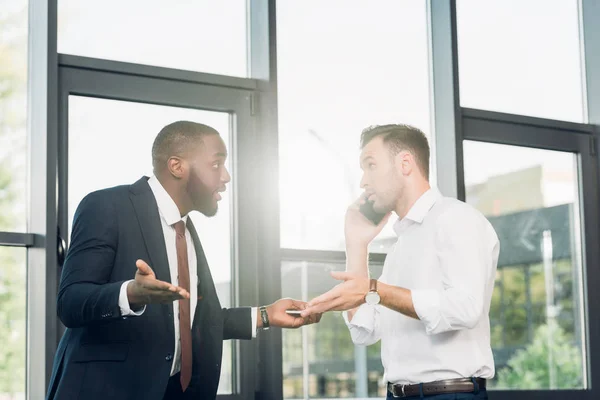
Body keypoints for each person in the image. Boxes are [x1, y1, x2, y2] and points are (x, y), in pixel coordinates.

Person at [46, 121, 321, 400]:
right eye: (216, 164)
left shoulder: (185, 230)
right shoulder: (106, 206)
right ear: (177, 166)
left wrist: (265, 315)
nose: (226, 176)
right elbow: (70, 302)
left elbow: (193, 323)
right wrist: (130, 294)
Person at [301, 124, 499, 399]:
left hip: (448, 394)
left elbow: (465, 308)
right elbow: (364, 330)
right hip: (398, 394)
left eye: (370, 165)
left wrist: (376, 290)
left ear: (405, 163)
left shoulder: (456, 218)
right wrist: (356, 245)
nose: (363, 182)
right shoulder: (401, 247)